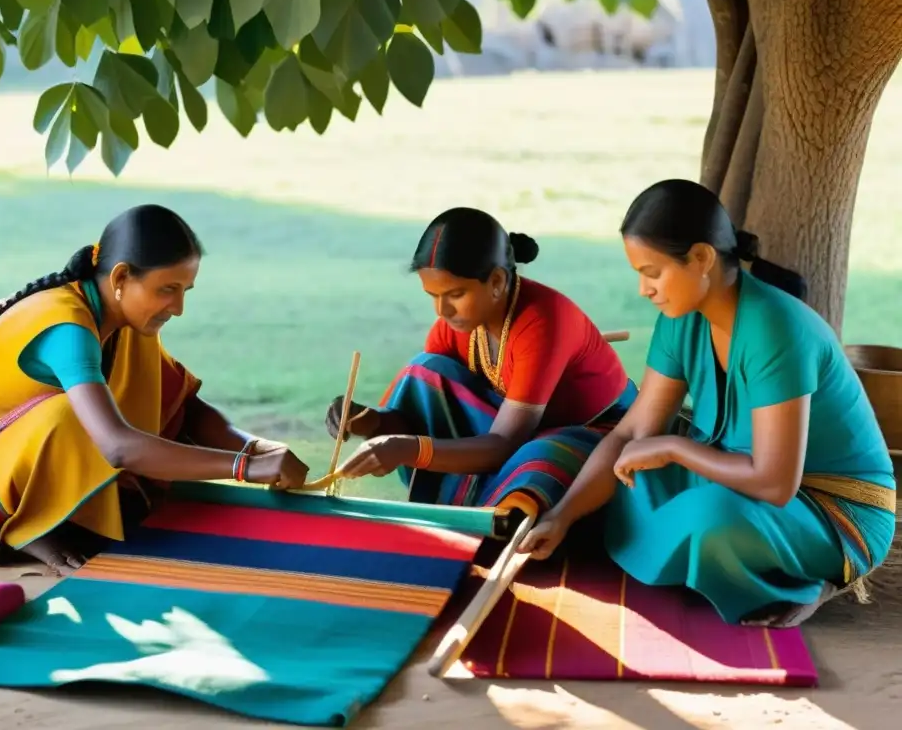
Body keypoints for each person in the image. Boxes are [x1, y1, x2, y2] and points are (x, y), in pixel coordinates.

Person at [519, 179, 896, 626]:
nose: (644, 289)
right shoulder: (682, 319)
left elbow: (776, 483)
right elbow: (630, 434)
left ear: (701, 258)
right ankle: (703, 561)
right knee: (628, 475)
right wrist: (561, 517)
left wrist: (674, 448)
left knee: (708, 517)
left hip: (832, 509)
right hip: (737, 478)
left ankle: (796, 586)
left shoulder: (775, 329)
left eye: (652, 272)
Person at [0, 205, 310, 575]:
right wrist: (246, 469)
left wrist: (257, 447)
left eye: (185, 291)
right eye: (166, 289)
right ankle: (26, 527)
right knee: (69, 416)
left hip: (2, 471)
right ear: (121, 278)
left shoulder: (126, 323)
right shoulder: (66, 328)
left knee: (127, 427)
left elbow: (183, 409)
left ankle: (58, 517)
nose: (177, 308)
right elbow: (118, 446)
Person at [323, 207, 637, 519]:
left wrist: (407, 449)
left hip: (595, 431)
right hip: (515, 430)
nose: (442, 310)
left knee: (541, 458)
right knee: (424, 373)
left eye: (455, 294)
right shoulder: (455, 325)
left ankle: (492, 515)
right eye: (432, 295)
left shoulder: (544, 322)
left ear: (497, 281)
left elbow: (504, 443)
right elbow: (419, 420)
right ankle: (478, 507)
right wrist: (369, 422)